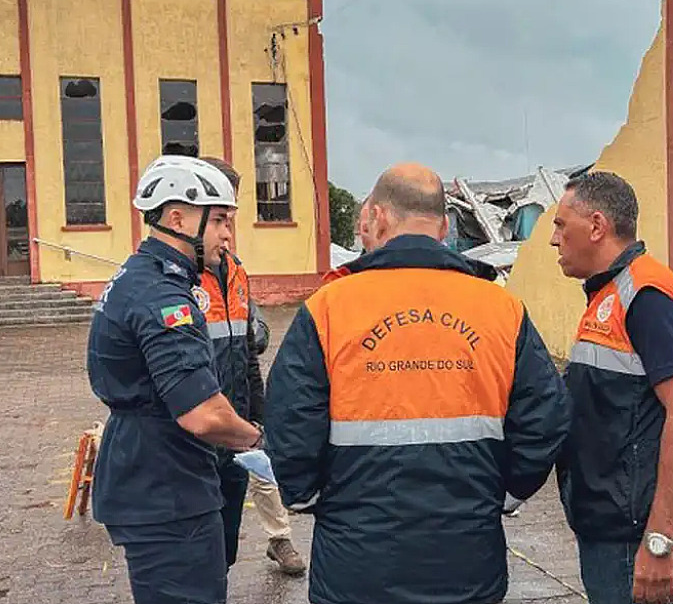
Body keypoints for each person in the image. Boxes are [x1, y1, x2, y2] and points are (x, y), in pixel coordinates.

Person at [264, 162, 571, 604]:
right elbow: (545, 416)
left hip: (357, 561)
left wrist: (305, 495)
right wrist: (507, 493)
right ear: (444, 227)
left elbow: (290, 416)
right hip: (467, 557)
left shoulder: (329, 307)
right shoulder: (500, 308)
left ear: (378, 217)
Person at [86, 154, 263, 604]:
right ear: (178, 218)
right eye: (219, 220)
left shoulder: (146, 276)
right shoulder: (163, 295)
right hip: (166, 485)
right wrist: (261, 441)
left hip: (157, 474)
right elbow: (203, 415)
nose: (228, 233)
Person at [548, 170, 673, 604]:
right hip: (609, 521)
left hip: (632, 531)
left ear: (597, 226)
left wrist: (659, 540)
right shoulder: (611, 293)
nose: (553, 239)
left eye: (561, 225)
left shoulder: (647, 295)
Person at [196, 156, 306, 576]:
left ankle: (278, 538)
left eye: (231, 214)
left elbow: (247, 349)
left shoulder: (235, 270)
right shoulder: (175, 278)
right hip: (199, 419)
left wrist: (258, 413)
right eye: (219, 216)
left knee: (257, 469)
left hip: (238, 407)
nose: (228, 227)